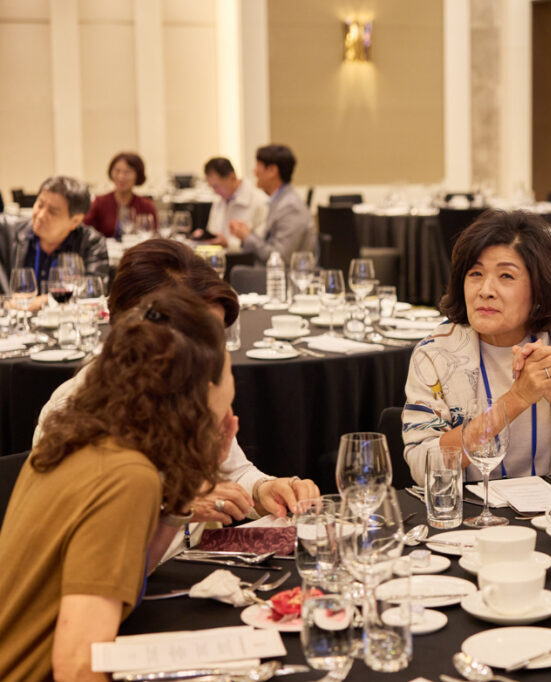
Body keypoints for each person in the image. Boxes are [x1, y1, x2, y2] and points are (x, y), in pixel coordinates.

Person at [32, 238, 319, 557]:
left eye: (217, 339)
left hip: (194, 567)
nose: (212, 358)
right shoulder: (77, 416)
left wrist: (264, 489)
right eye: (199, 340)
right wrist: (176, 509)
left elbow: (234, 473)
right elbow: (90, 556)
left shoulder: (192, 391)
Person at [0, 289, 233, 680]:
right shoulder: (126, 478)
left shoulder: (80, 441)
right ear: (201, 392)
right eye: (230, 371)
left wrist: (190, 477)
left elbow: (126, 576)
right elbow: (77, 666)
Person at [402, 210, 551, 485]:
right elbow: (424, 468)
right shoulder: (435, 354)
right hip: (472, 509)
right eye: (475, 273)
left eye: (506, 276)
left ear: (539, 288)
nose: (485, 290)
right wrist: (516, 399)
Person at [0, 176, 108, 304]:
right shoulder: (7, 231)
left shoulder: (91, 242)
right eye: (40, 205)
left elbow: (93, 290)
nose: (40, 215)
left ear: (75, 221)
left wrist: (42, 301)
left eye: (52, 212)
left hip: (65, 316)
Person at [228, 144, 316, 264]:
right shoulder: (278, 199)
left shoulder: (290, 206)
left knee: (235, 270)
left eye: (258, 165)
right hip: (273, 271)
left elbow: (280, 257)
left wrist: (247, 237)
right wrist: (247, 234)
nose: (254, 171)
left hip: (287, 273)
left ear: (272, 171)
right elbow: (270, 244)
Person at [197, 156, 269, 249]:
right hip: (219, 255)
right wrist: (205, 237)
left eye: (216, 186)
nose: (214, 192)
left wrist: (228, 243)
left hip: (244, 256)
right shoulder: (219, 200)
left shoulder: (260, 201)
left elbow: (262, 244)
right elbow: (213, 231)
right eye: (211, 187)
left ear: (232, 177)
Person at [83, 151, 159, 238]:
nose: (121, 177)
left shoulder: (146, 205)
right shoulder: (100, 202)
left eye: (127, 172)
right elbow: (83, 229)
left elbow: (154, 236)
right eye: (117, 171)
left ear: (138, 175)